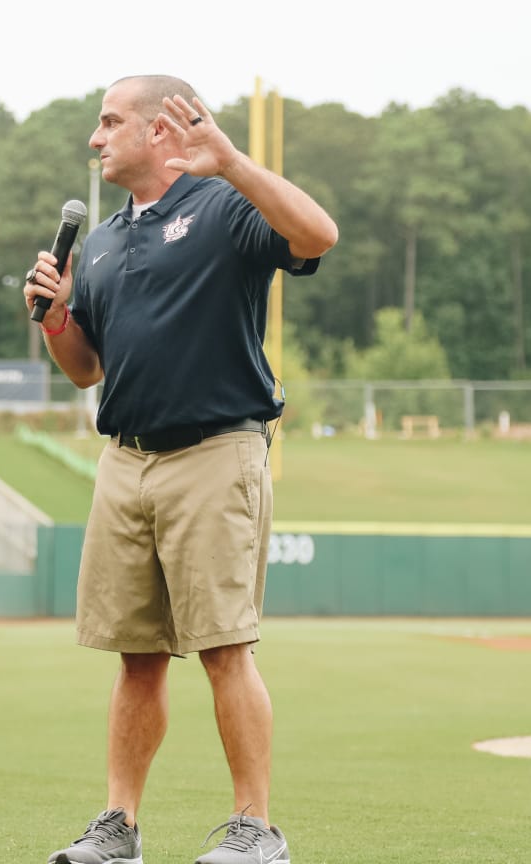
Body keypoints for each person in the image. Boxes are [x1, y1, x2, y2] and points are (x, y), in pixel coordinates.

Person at [24, 75, 338, 864]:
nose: (95, 139)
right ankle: (118, 829)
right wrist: (57, 315)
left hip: (214, 452)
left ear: (162, 129)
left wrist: (231, 161)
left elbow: (318, 235)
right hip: (124, 460)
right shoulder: (97, 242)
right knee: (137, 658)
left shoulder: (224, 205)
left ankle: (256, 831)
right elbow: (85, 370)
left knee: (226, 648)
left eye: (109, 122)